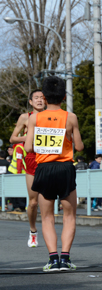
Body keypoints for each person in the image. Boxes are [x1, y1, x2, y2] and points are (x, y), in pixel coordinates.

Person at [25, 76, 84, 272]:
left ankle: (53, 260)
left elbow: (28, 147)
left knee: (47, 216)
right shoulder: (71, 117)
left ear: (45, 97)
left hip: (44, 169)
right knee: (69, 215)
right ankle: (65, 258)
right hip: (65, 168)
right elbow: (81, 147)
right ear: (64, 96)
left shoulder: (34, 118)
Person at [9, 89, 45, 246]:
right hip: (31, 159)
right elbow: (12, 138)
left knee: (48, 200)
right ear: (30, 102)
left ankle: (49, 232)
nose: (39, 100)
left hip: (48, 159)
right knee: (33, 202)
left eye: (42, 98)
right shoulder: (25, 117)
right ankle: (33, 231)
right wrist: (30, 136)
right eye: (36, 98)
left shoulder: (52, 116)